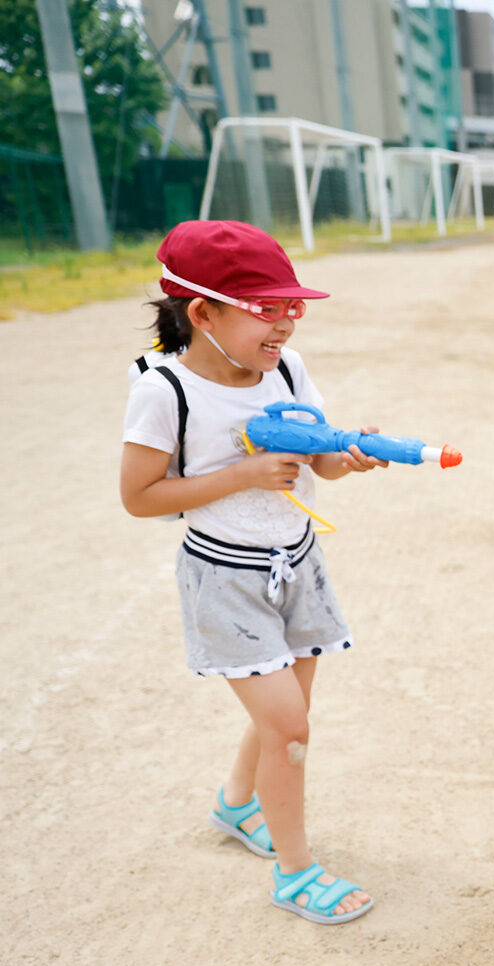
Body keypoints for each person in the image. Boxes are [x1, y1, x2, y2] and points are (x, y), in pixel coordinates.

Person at [121, 220, 384, 925]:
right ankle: (295, 874)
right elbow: (139, 497)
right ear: (201, 313)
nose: (287, 323)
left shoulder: (288, 371)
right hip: (227, 578)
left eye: (292, 306)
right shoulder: (166, 392)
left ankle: (238, 804)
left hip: (297, 564)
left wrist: (348, 453)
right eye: (267, 308)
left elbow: (320, 456)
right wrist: (240, 475)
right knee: (290, 727)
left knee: (284, 719)